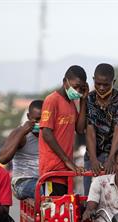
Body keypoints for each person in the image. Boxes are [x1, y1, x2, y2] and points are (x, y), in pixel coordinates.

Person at [39, 65, 88, 196]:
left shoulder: (71, 103)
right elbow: (46, 133)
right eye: (75, 86)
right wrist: (67, 160)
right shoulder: (52, 100)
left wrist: (83, 100)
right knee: (53, 210)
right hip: (53, 169)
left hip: (66, 170)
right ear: (65, 81)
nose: (77, 90)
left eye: (80, 88)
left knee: (65, 211)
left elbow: (79, 129)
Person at [84, 63, 118, 193]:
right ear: (93, 80)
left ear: (113, 82)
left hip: (114, 155)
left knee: (113, 195)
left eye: (106, 84)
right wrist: (93, 159)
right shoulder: (89, 99)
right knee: (90, 196)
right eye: (98, 84)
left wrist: (111, 158)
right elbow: (90, 130)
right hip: (92, 155)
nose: (102, 88)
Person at [0, 100, 43, 200]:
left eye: (43, 120)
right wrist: (22, 132)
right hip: (22, 182)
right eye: (36, 120)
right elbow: (2, 159)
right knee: (44, 190)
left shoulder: (48, 132)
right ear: (28, 117)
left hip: (43, 180)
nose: (39, 123)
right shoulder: (20, 133)